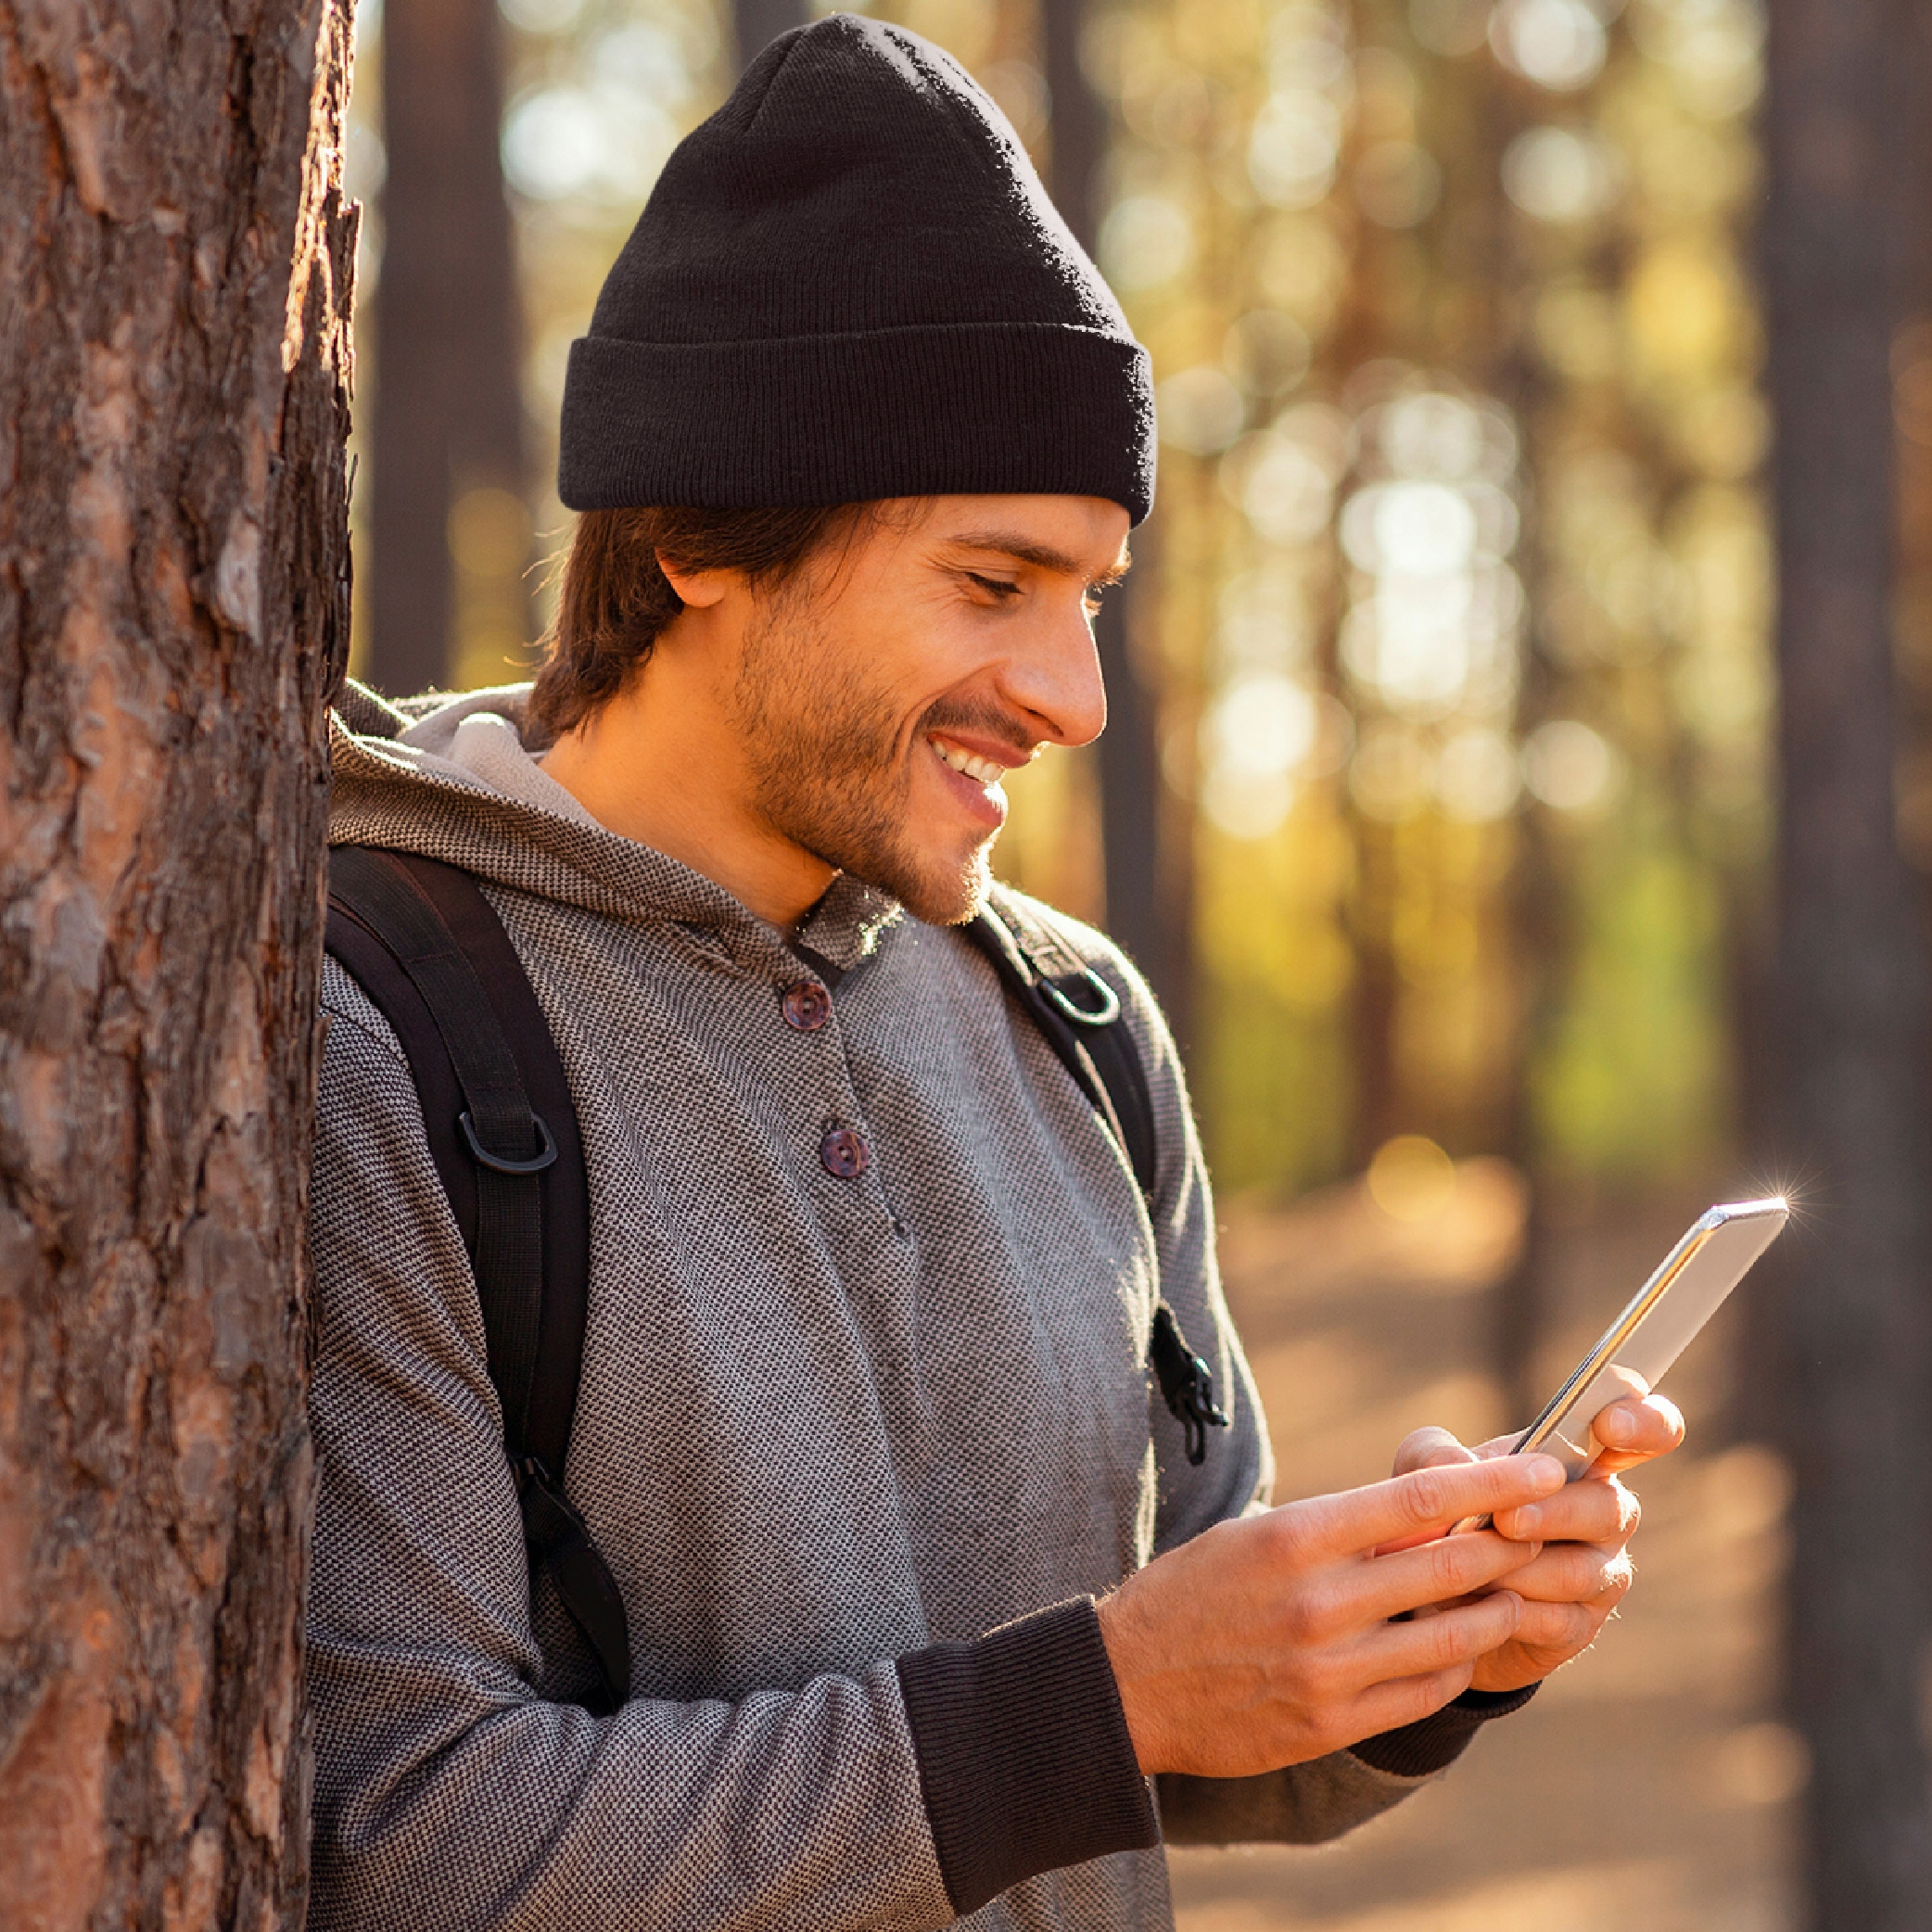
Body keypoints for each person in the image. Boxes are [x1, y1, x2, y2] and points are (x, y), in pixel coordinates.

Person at [307, 16, 1682, 1930]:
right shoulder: (375, 1030)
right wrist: (1104, 1698)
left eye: (1091, 596)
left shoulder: (1076, 1022)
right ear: (699, 533)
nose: (1073, 696)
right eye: (992, 581)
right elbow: (406, 1839)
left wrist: (1428, 1637)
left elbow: (1182, 1737)